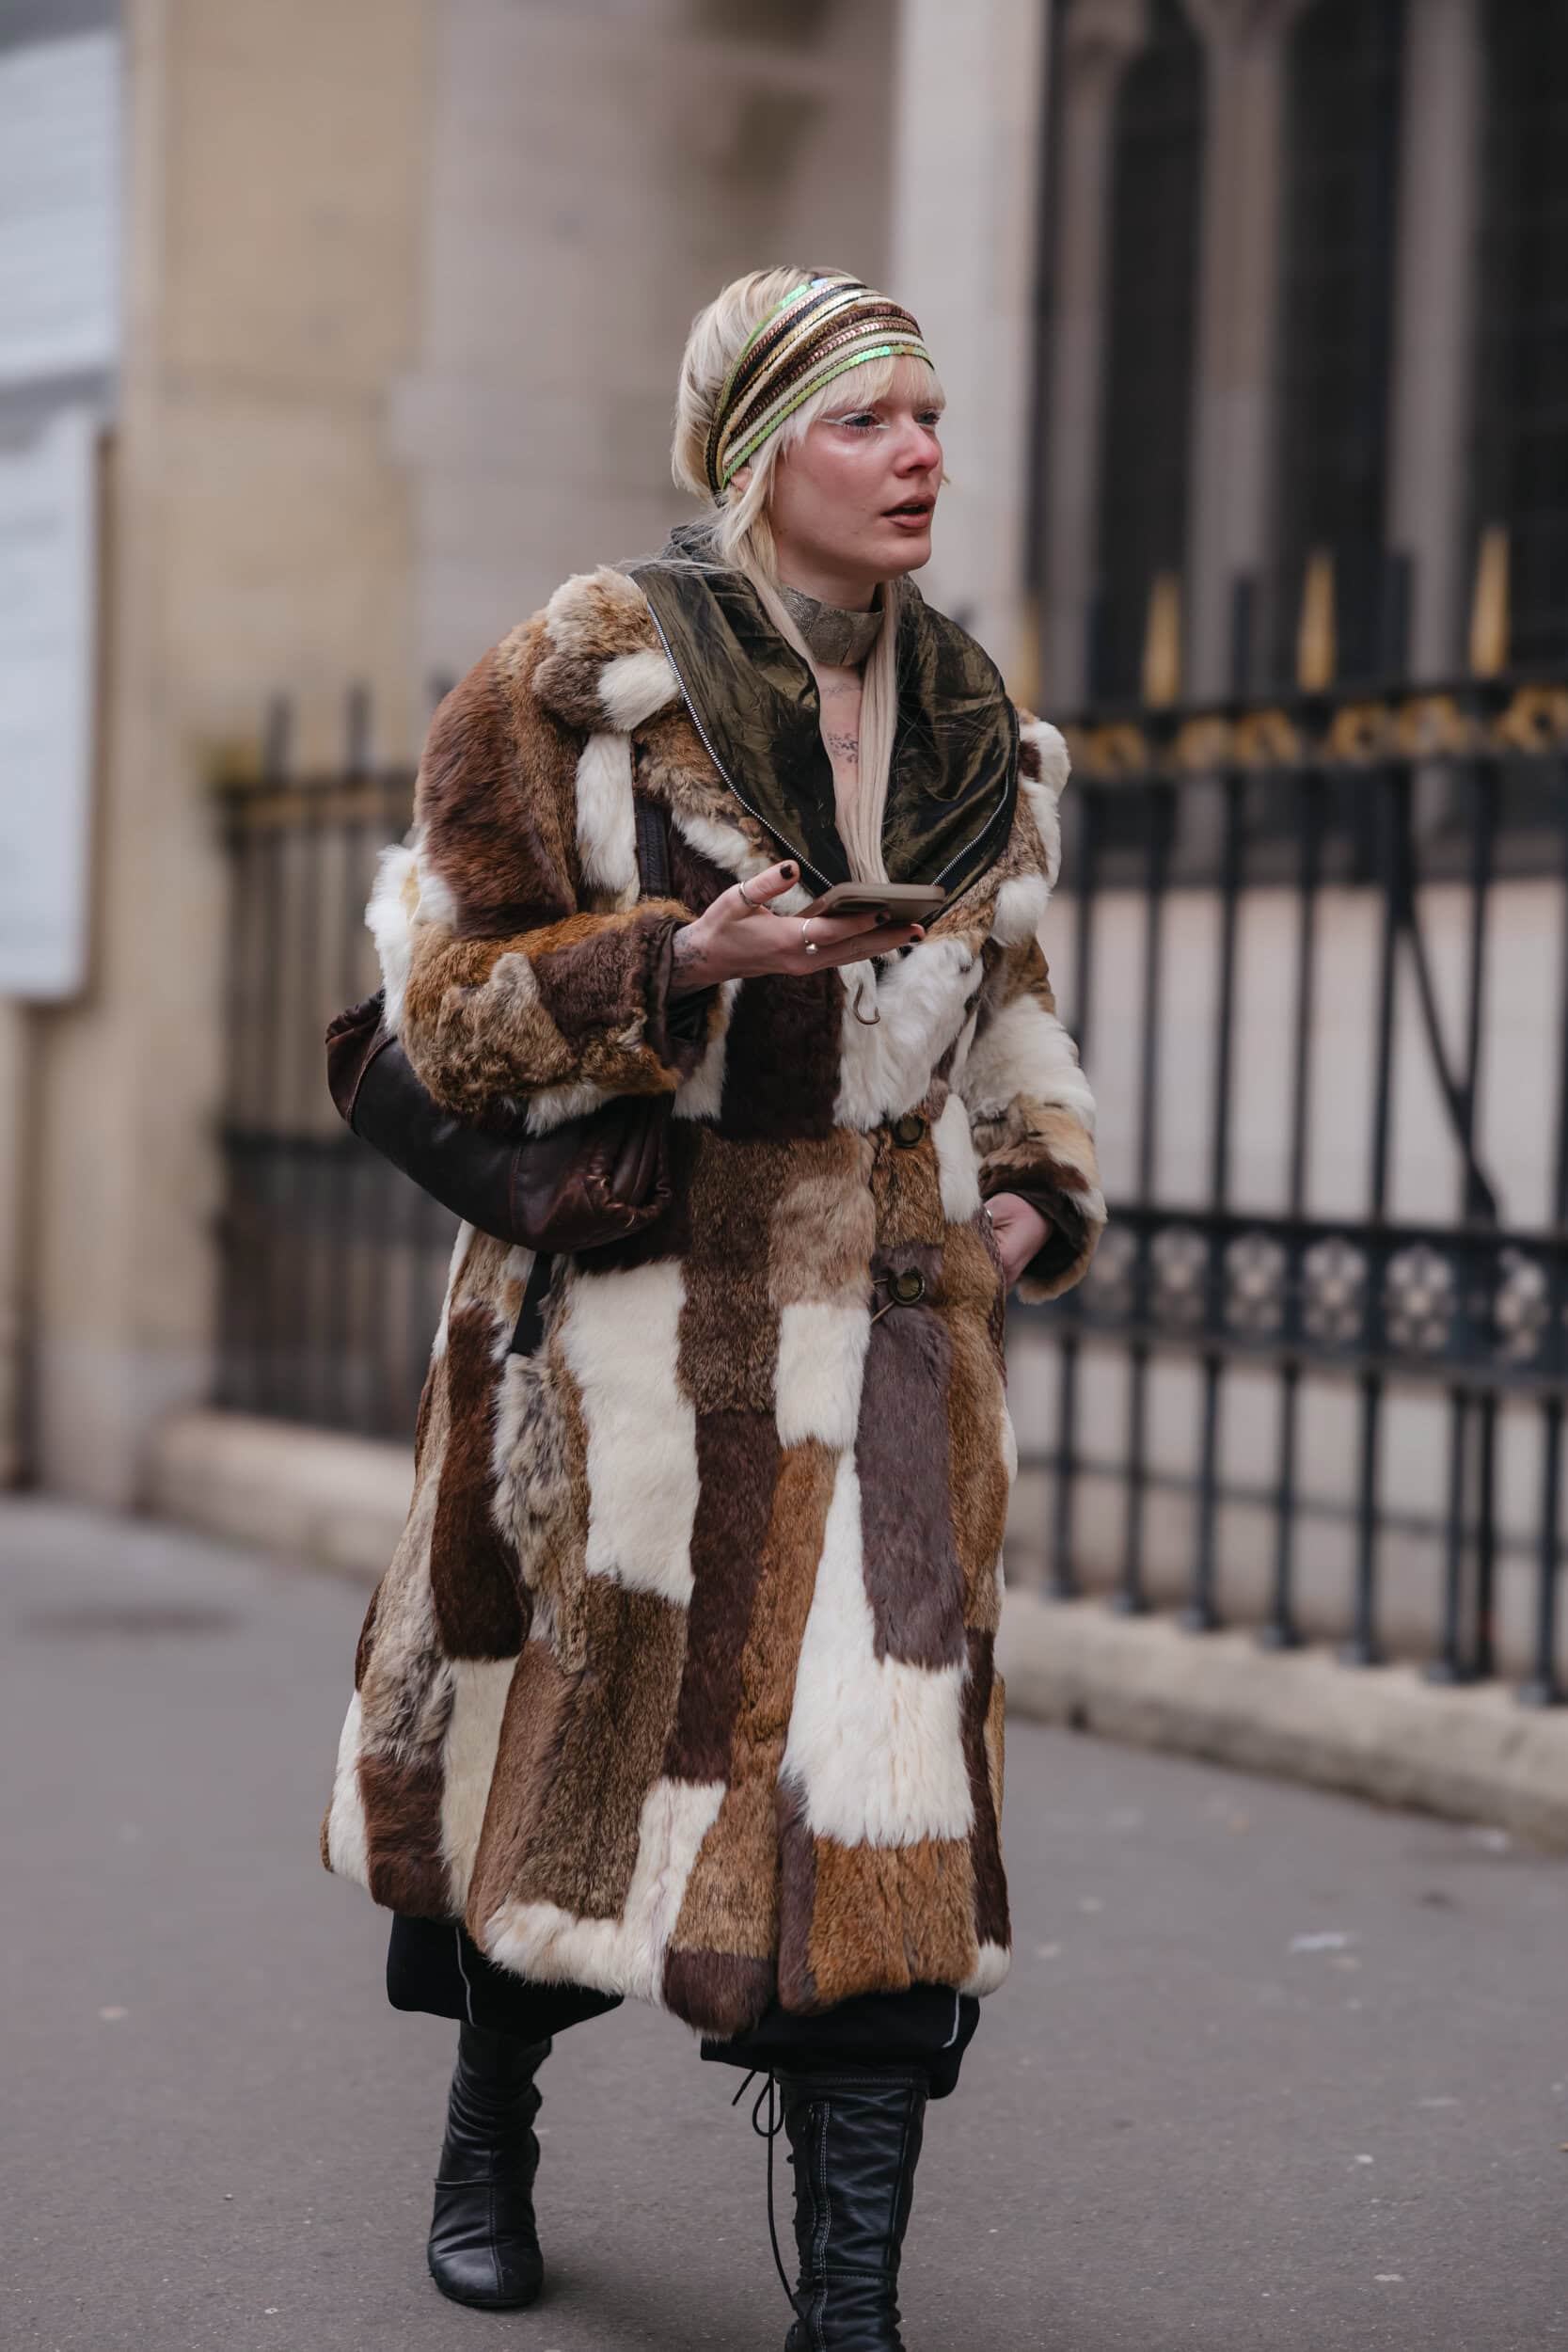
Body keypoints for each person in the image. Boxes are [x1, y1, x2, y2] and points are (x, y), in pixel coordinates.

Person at [321, 266, 1104, 2348]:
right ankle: (491, 2118)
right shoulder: (586, 684)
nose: (923, 450)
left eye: (935, 413)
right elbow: (445, 1009)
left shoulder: (972, 717)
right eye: (872, 419)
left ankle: (850, 2296)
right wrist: (674, 964)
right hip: (631, 1350)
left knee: (882, 1804)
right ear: (759, 449)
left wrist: (1031, 1201)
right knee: (569, 1779)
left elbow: (1010, 1005)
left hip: (898, 1347)